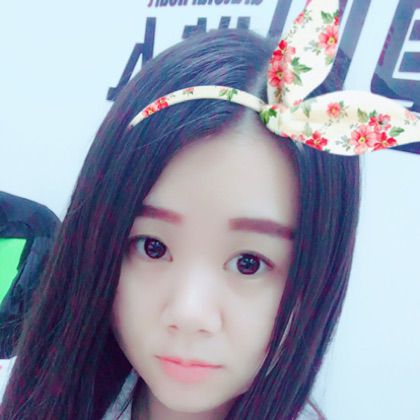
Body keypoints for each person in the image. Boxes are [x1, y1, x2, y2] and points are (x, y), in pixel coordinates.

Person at [0, 1, 374, 417]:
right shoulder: (42, 399)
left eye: (249, 263)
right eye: (152, 247)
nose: (189, 313)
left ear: (320, 275)